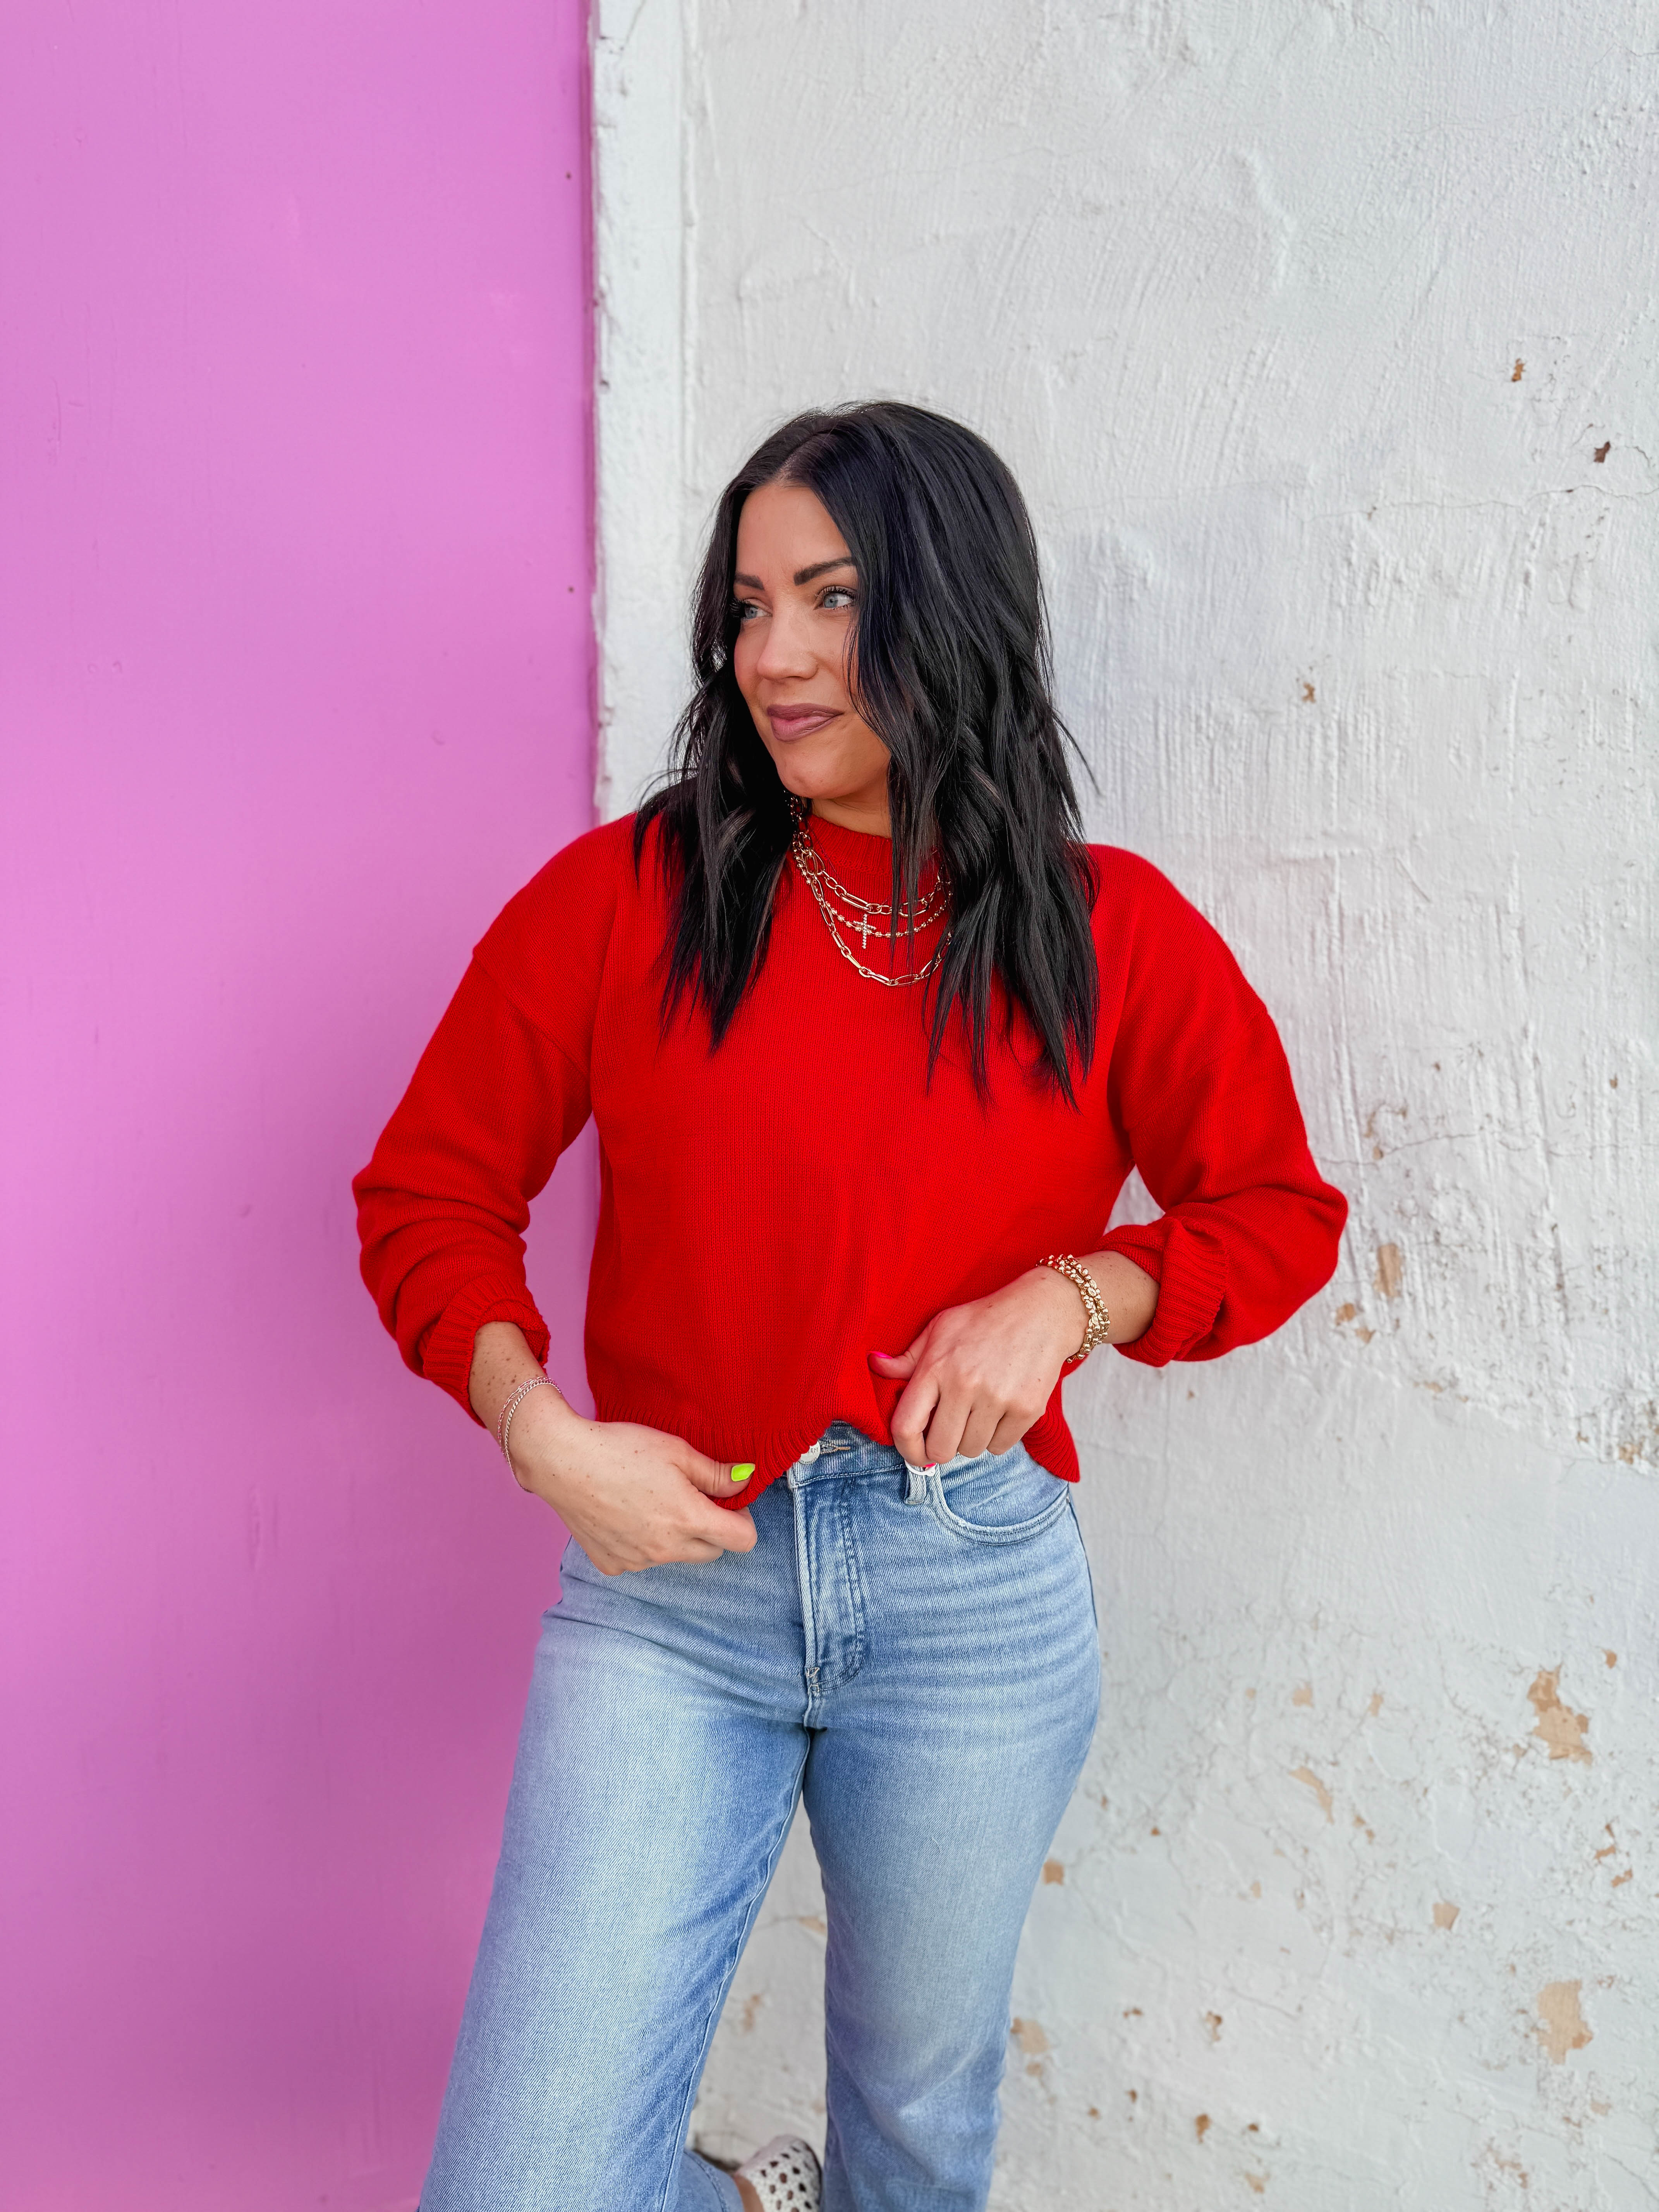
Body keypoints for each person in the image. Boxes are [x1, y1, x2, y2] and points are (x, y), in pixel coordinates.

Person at [354, 401, 1346, 2212]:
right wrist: (541, 1437)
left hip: (974, 1596)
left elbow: (1278, 1213)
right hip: (672, 1597)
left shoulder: (1107, 931)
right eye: (748, 606)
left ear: (950, 607)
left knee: (913, 2142)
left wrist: (1074, 1294)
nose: (773, 655)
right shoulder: (627, 900)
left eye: (829, 597)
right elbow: (431, 1194)